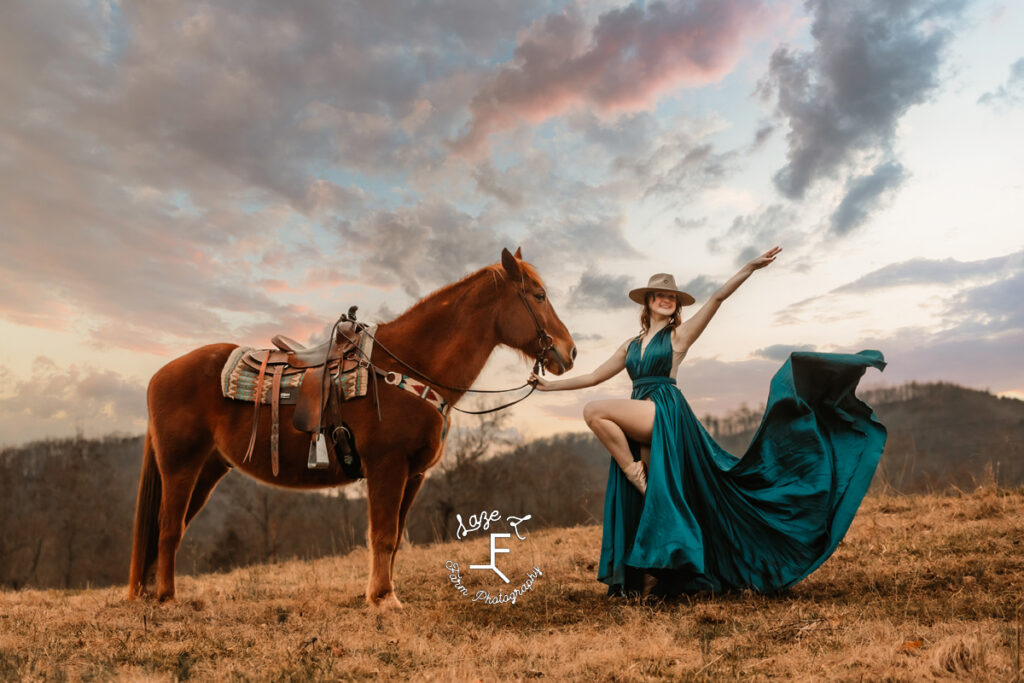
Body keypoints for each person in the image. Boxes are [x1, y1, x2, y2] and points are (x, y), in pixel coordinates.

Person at [529, 247, 887, 597]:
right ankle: (659, 577)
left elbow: (715, 300)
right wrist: (548, 386)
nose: (667, 300)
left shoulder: (678, 337)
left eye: (673, 297)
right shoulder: (631, 345)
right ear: (648, 301)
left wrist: (748, 268)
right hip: (642, 410)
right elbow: (593, 375)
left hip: (665, 412)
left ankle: (633, 473)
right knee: (657, 501)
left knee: (595, 411)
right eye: (661, 296)